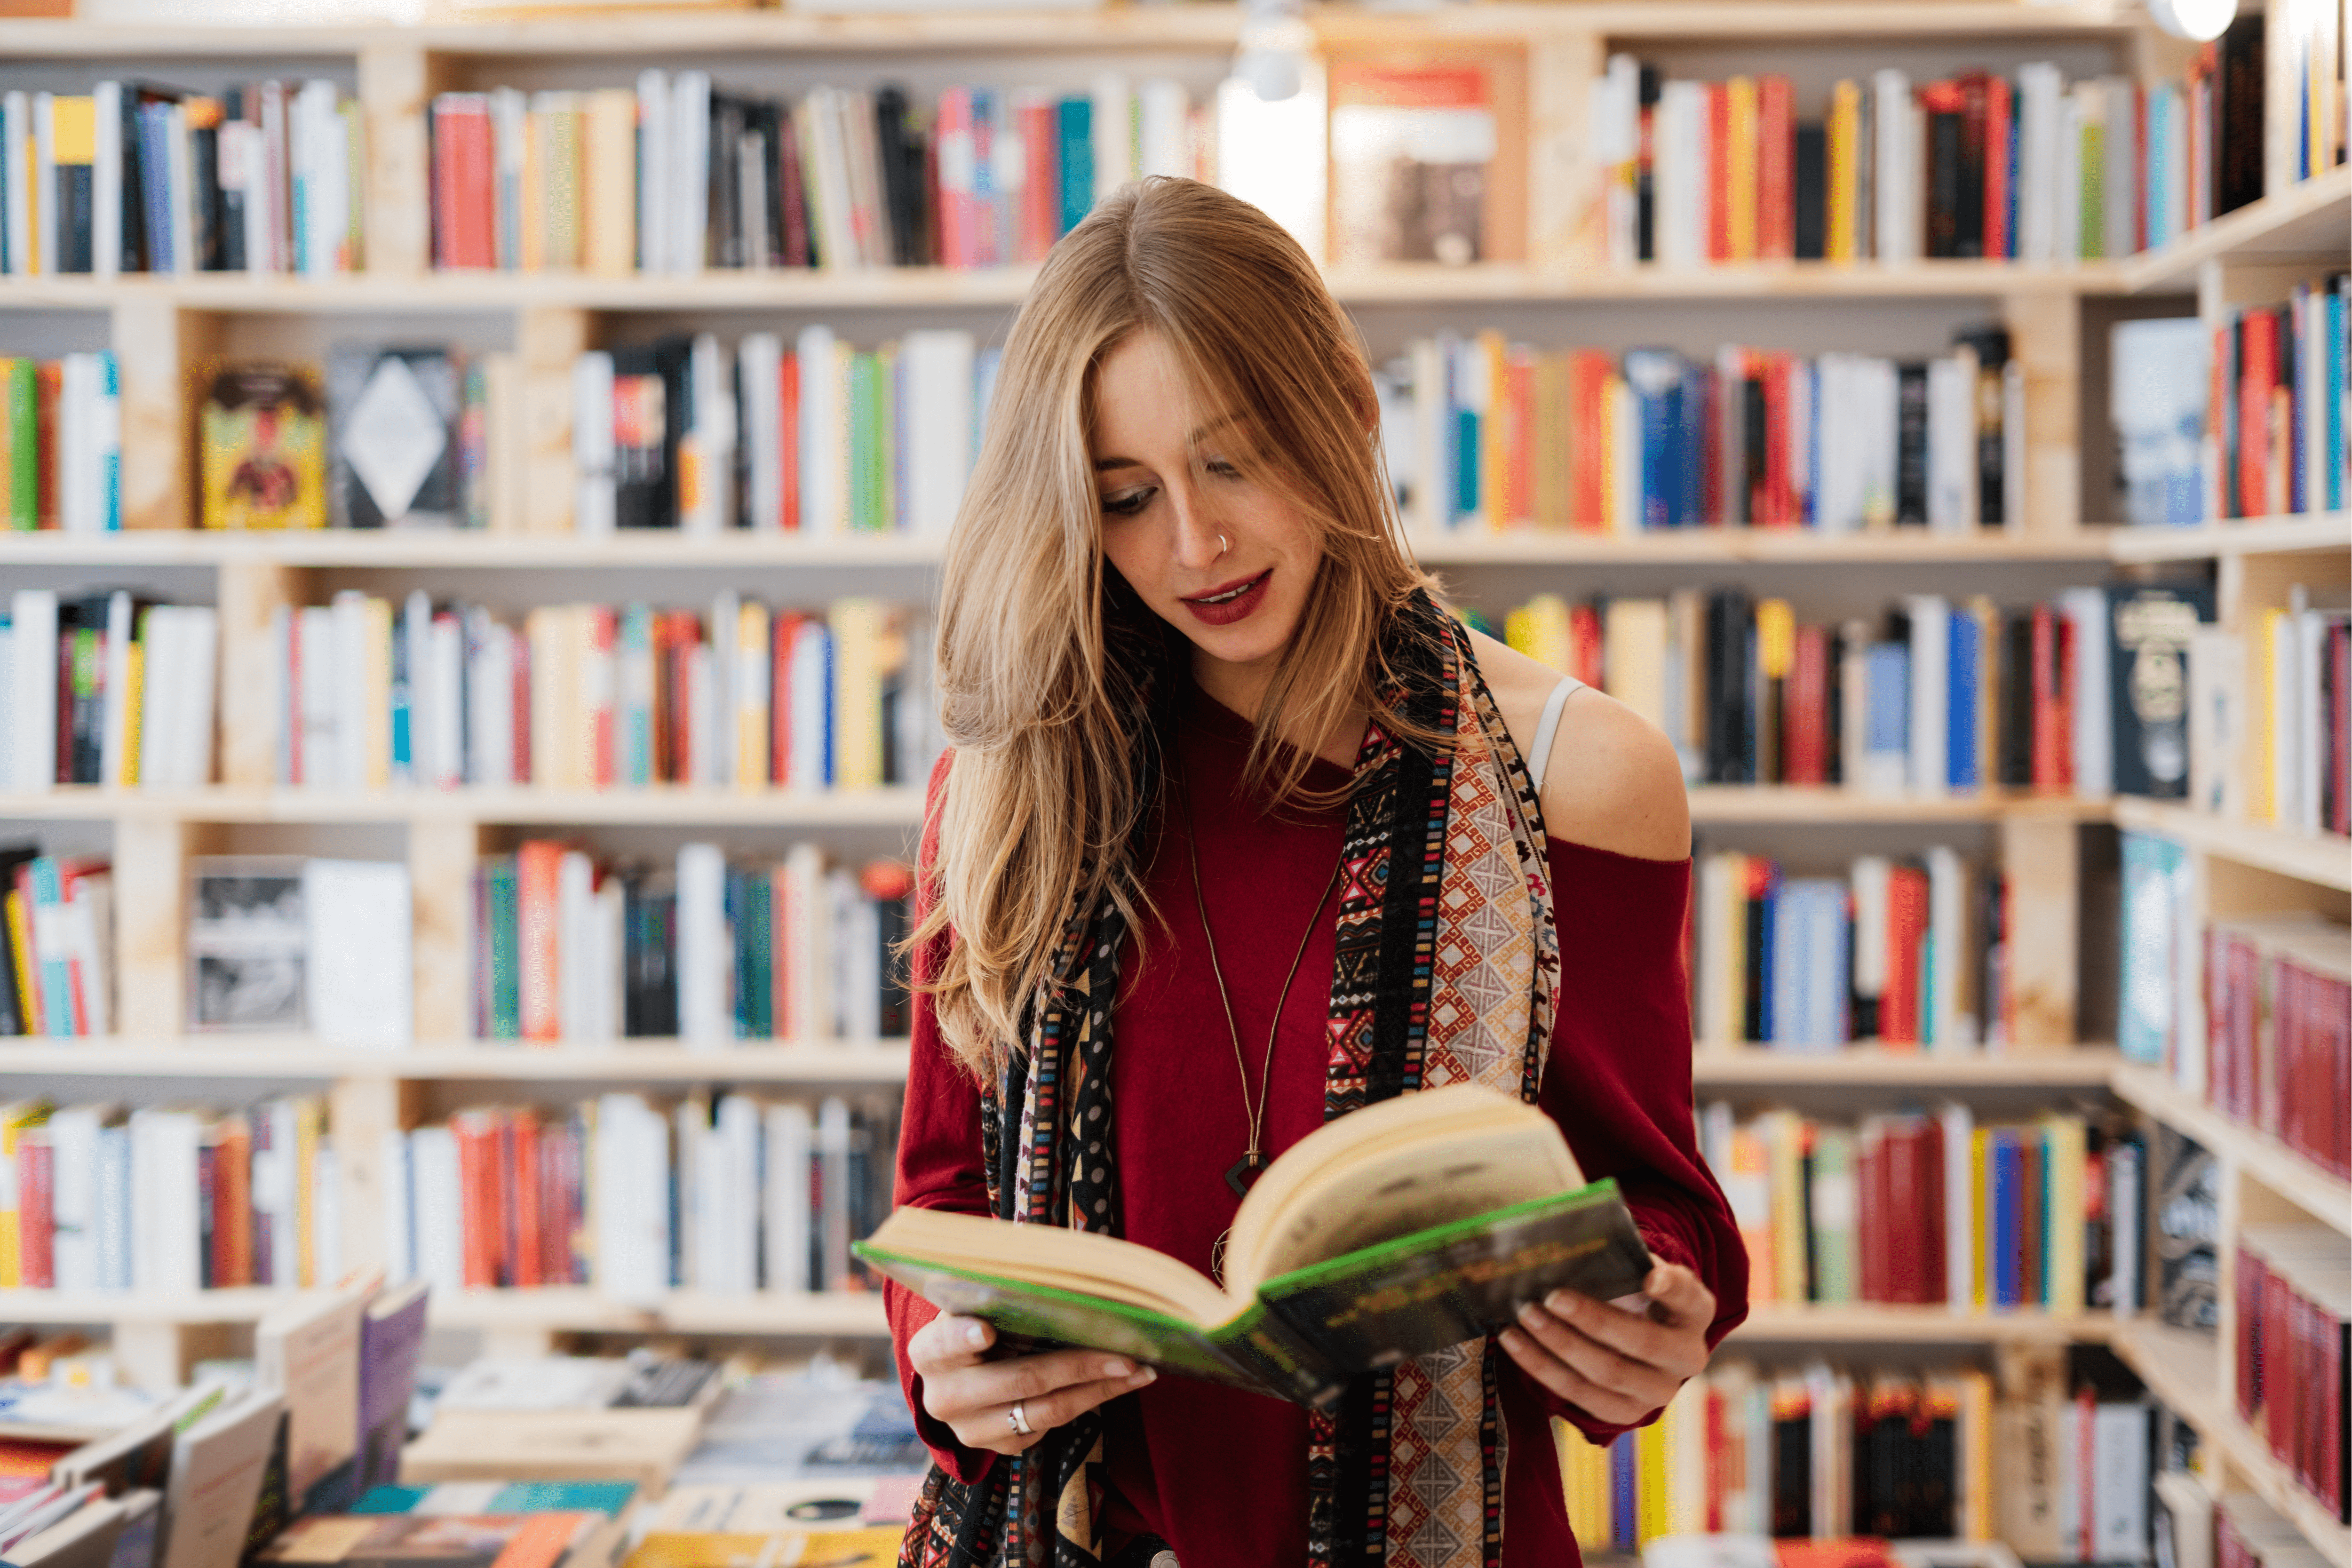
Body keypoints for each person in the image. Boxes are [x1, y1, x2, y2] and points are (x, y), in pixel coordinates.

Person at [887, 176, 1747, 1568]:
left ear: (1347, 407)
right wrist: (948, 1364)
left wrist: (1658, 1308)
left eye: (1233, 459)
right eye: (1125, 496)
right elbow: (942, 1206)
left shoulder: (1582, 775)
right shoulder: (1002, 790)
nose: (1195, 544)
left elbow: (1657, 1194)